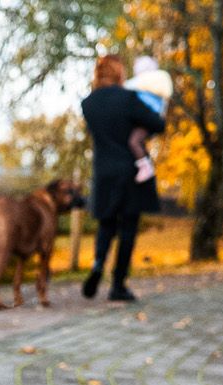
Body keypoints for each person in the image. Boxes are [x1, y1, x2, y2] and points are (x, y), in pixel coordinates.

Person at [81, 54, 165, 302]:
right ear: (119, 73)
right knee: (128, 226)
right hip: (130, 171)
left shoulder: (88, 104)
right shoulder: (128, 98)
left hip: (103, 172)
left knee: (106, 223)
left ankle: (98, 264)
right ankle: (118, 284)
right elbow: (157, 123)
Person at [125, 57, 173, 184]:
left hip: (148, 118)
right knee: (138, 141)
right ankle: (144, 163)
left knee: (134, 141)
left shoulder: (147, 82)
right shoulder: (156, 83)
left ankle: (145, 167)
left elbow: (131, 86)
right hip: (152, 117)